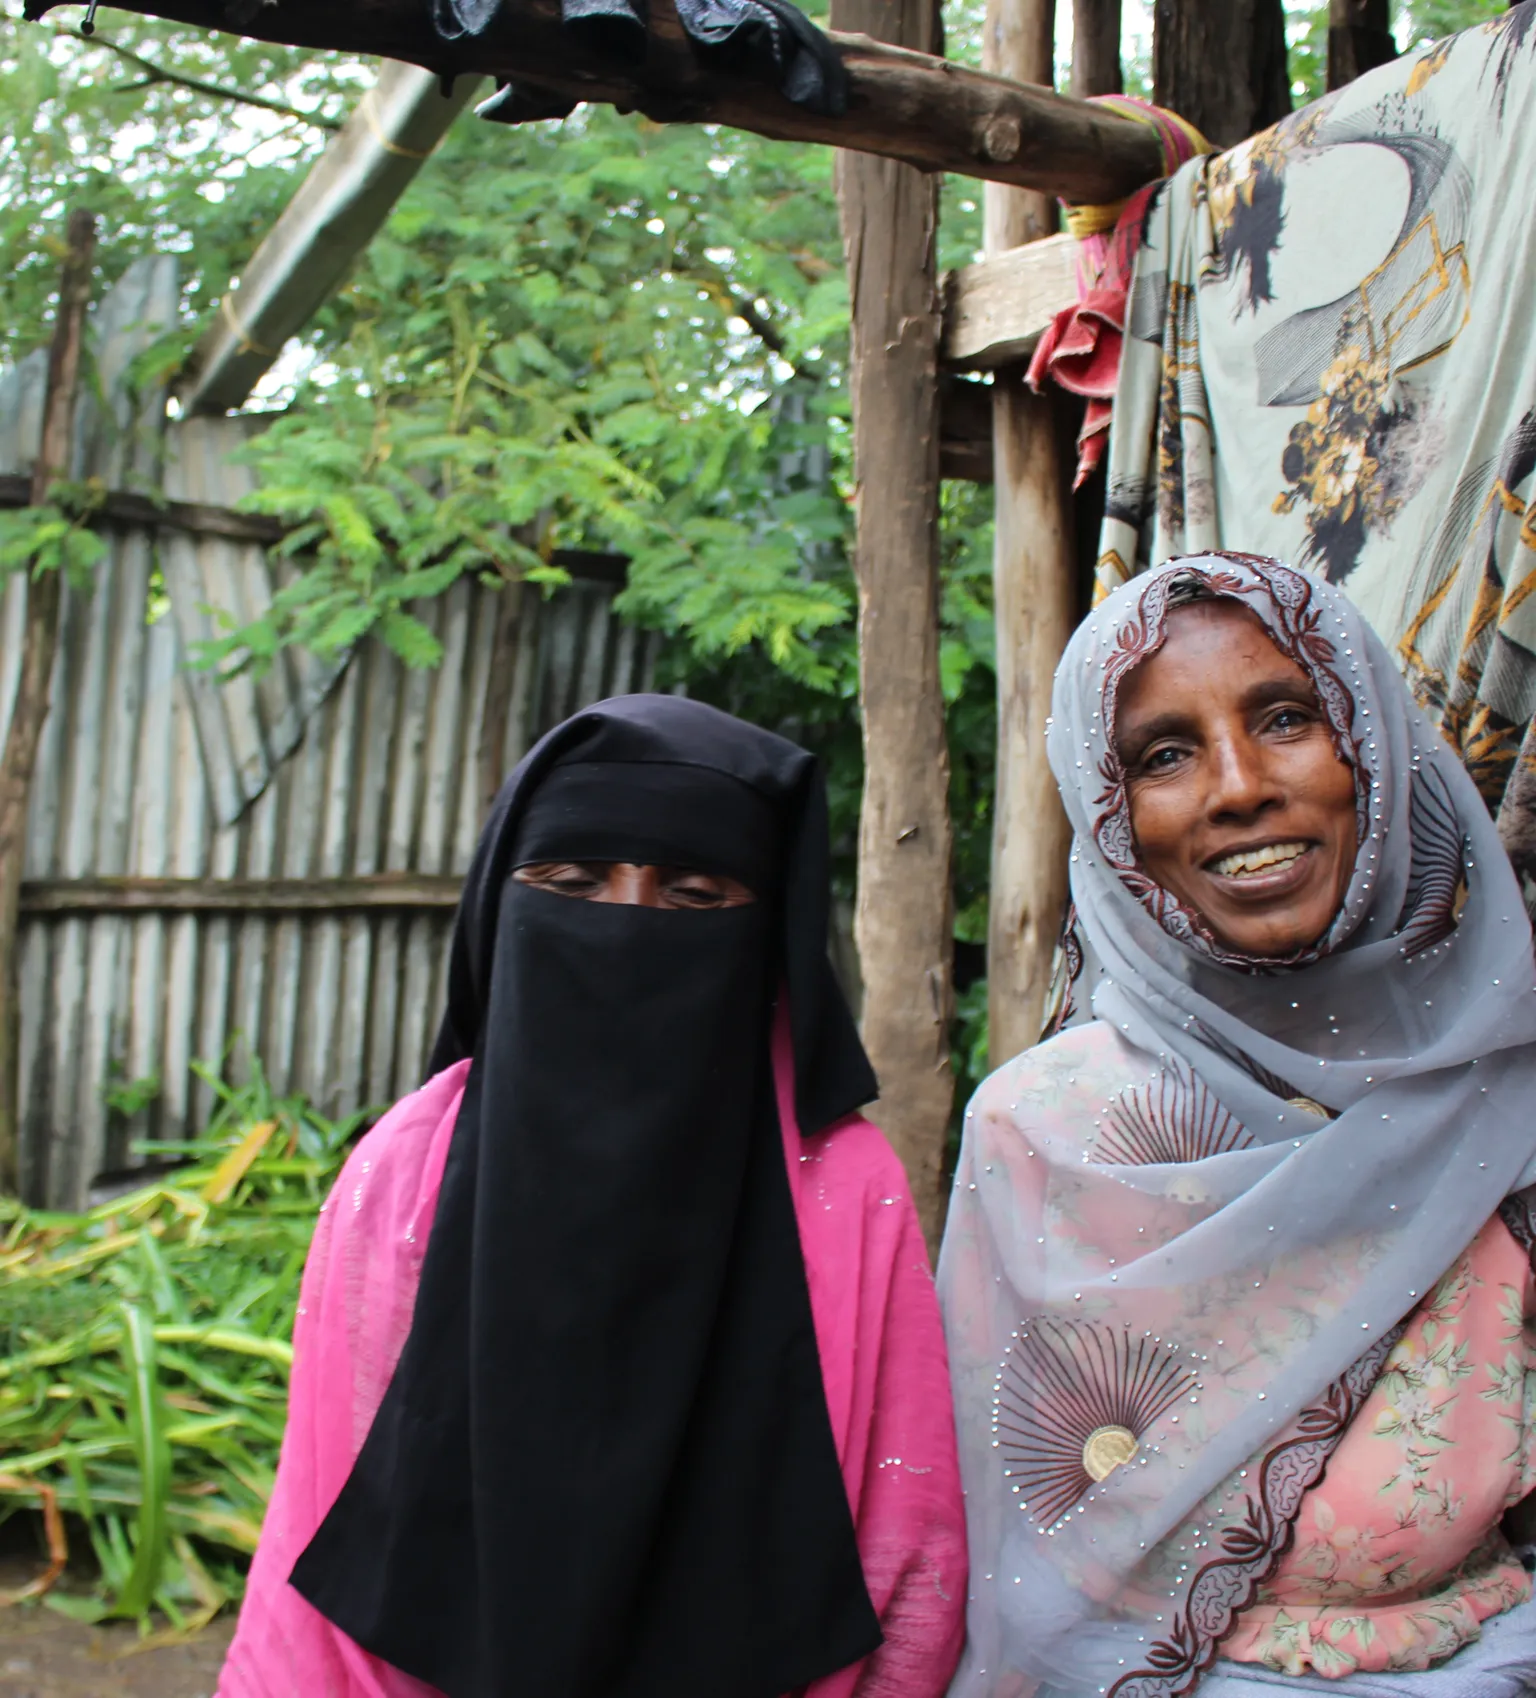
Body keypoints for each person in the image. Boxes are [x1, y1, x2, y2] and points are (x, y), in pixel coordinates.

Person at [219, 694, 967, 1698]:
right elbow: (333, 1500)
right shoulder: (406, 1170)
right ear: (502, 905)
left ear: (767, 938)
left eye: (695, 897)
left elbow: (902, 1548)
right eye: (572, 884)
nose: (625, 928)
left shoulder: (840, 1191)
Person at [939, 554, 1536, 1698]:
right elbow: (1001, 1548)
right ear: (1109, 817)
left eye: (1287, 718)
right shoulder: (1043, 1131)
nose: (1237, 786)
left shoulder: (1506, 1094)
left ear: (1378, 748)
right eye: (1161, 754)